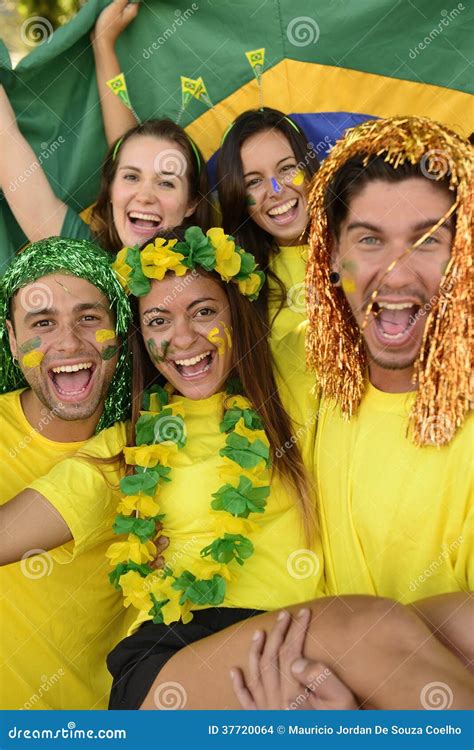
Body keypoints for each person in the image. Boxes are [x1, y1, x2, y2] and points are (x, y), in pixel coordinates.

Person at [0, 236, 132, 709]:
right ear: (14, 342)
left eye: (89, 318)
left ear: (119, 331)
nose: (70, 342)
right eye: (43, 323)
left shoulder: (146, 453)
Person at [0, 83, 212, 252]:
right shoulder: (91, 264)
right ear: (110, 189)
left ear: (191, 202)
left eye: (166, 183)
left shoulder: (220, 278)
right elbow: (6, 139)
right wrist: (103, 42)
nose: (145, 196)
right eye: (131, 177)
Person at [217, 107, 319, 339]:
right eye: (254, 181)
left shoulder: (359, 246)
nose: (276, 190)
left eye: (286, 169)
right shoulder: (237, 281)